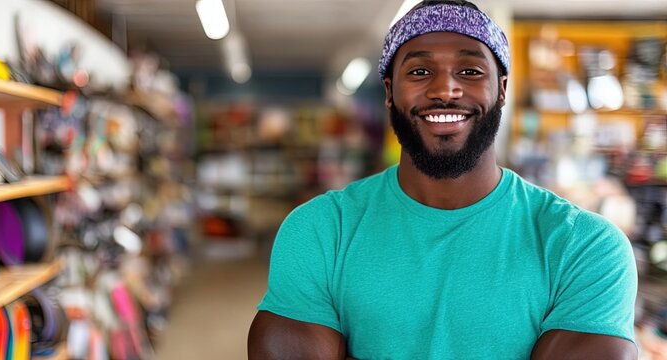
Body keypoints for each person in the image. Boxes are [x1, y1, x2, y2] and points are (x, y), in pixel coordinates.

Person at [247, 0, 638, 358]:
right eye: (419, 71)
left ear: (501, 90)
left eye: (470, 71)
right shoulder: (320, 230)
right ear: (389, 92)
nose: (445, 89)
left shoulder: (584, 247)